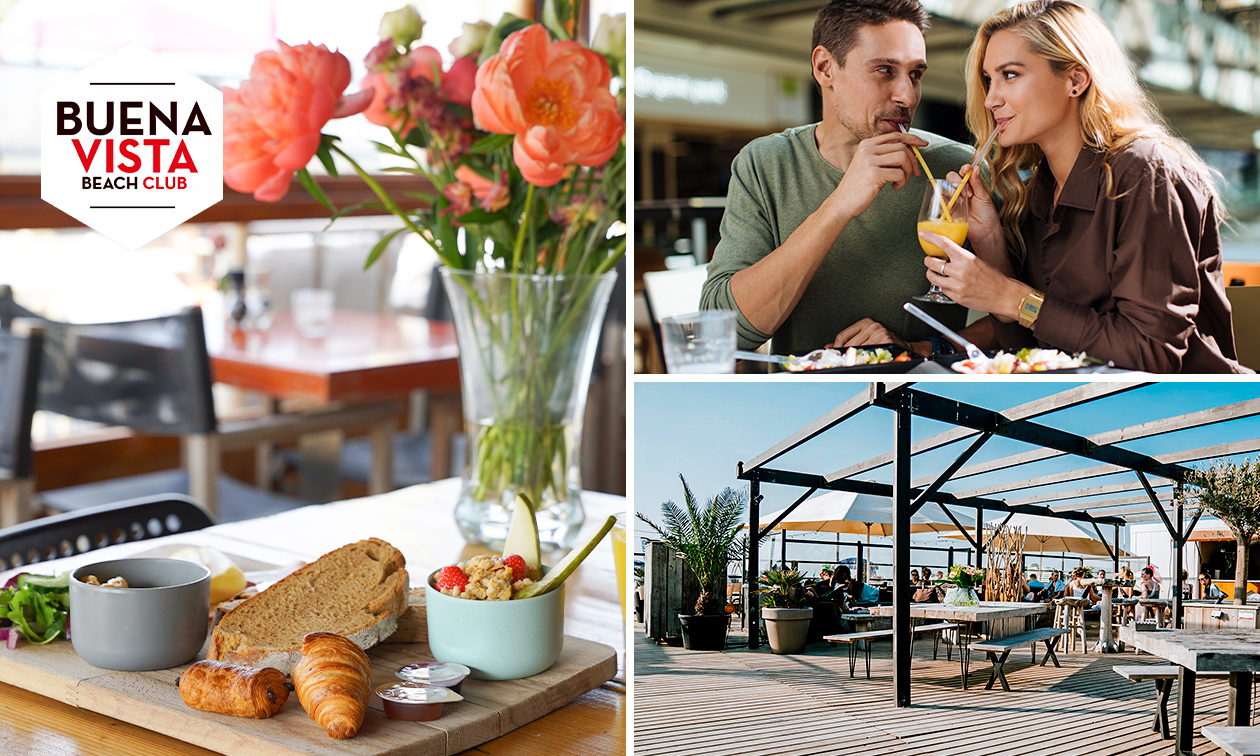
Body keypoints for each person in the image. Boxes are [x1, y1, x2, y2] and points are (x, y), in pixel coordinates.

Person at [919, 0, 1248, 373]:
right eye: (988, 80)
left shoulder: (1146, 173)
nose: (991, 99)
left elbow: (1153, 354)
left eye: (1010, 74)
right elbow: (1029, 347)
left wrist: (1013, 298)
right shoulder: (1039, 190)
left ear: (1075, 80)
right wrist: (990, 239)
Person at [699, 0, 982, 357]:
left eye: (915, 74)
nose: (907, 96)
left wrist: (921, 348)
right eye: (884, 70)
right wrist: (839, 205)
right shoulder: (765, 164)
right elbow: (721, 332)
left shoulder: (958, 169)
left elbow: (1020, 315)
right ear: (825, 68)